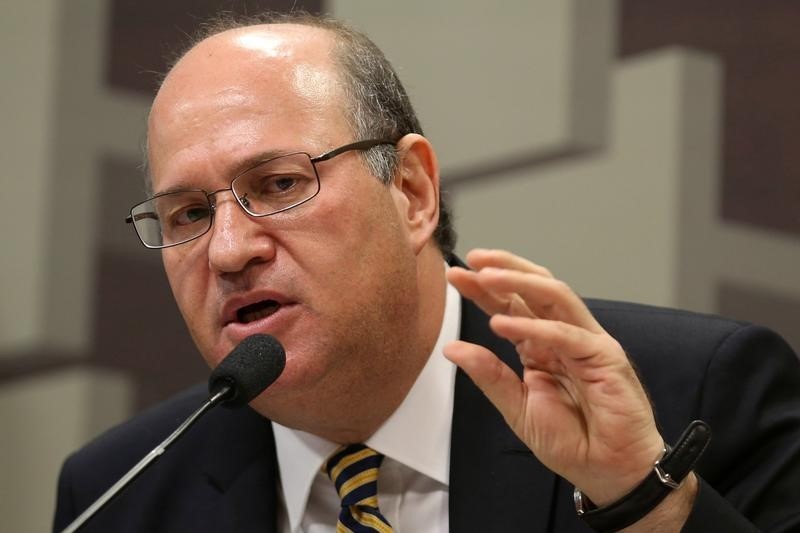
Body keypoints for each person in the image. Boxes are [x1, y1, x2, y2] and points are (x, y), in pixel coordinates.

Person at [54, 12, 800, 533]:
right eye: (186, 213)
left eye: (279, 184)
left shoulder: (693, 398)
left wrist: (650, 503)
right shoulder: (120, 492)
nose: (227, 250)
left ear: (411, 191)